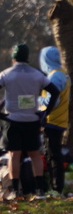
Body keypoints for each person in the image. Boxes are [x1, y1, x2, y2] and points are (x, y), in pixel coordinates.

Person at [0, 44, 54, 199]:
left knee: (14, 154)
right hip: (32, 118)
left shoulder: (6, 73)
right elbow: (55, 91)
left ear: (13, 58)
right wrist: (45, 112)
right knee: (35, 153)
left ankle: (15, 190)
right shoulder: (37, 74)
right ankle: (40, 189)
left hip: (12, 119)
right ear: (27, 57)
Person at [40, 46, 69, 195]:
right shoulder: (63, 74)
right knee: (54, 154)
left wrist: (37, 101)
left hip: (52, 120)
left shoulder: (54, 76)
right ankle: (57, 186)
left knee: (52, 155)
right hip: (60, 119)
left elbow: (53, 100)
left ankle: (56, 188)